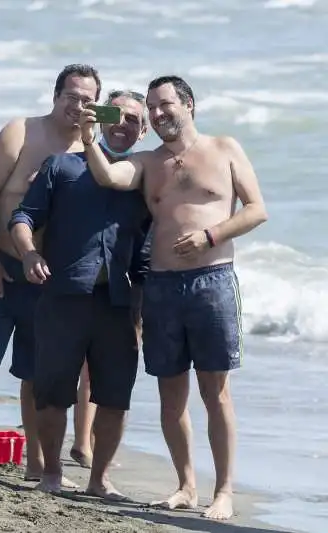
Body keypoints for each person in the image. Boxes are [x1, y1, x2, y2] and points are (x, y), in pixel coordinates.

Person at [80, 75, 268, 520]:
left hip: (213, 281)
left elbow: (257, 209)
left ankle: (223, 491)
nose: (158, 113)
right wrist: (89, 138)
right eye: (152, 107)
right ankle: (185, 485)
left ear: (188, 105)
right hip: (162, 287)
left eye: (165, 105)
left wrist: (211, 235)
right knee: (171, 397)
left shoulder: (224, 149)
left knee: (216, 393)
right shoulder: (148, 162)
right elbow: (108, 175)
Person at [0, 64, 100, 481]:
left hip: (44, 278)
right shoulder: (21, 132)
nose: (79, 105)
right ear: (55, 96)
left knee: (37, 374)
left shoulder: (92, 152)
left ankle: (36, 464)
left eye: (88, 100)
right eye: (72, 96)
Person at [9, 88, 151, 497]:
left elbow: (150, 242)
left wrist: (145, 306)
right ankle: (51, 473)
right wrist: (29, 252)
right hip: (63, 295)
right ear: (101, 118)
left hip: (119, 304)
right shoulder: (62, 166)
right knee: (53, 390)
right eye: (117, 115)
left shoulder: (144, 176)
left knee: (115, 396)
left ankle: (98, 479)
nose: (123, 125)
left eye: (133, 121)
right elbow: (24, 216)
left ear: (143, 133)